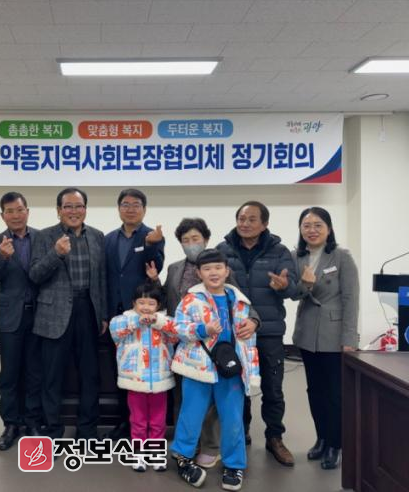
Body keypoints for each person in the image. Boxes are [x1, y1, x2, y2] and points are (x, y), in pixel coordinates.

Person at [160, 218, 259, 469]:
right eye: (185, 240)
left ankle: (221, 454)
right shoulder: (178, 277)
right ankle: (184, 452)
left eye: (195, 238)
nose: (190, 243)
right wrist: (201, 330)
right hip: (193, 355)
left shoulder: (232, 289)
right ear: (199, 273)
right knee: (189, 407)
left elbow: (246, 311)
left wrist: (254, 322)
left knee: (227, 412)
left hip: (227, 358)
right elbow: (169, 309)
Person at [216, 201, 298, 467]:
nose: (245, 224)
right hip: (236, 332)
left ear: (264, 224)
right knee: (238, 386)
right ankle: (242, 432)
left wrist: (283, 286)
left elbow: (293, 289)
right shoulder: (223, 250)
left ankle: (275, 438)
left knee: (272, 388)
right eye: (241, 218)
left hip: (269, 331)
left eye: (252, 219)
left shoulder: (279, 251)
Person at [29, 187, 107, 440]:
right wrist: (56, 254)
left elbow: (101, 278)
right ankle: (52, 429)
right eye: (68, 206)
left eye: (79, 206)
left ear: (85, 209)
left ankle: (87, 430)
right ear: (58, 210)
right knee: (52, 375)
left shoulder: (97, 236)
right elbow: (35, 275)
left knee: (90, 374)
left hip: (88, 310)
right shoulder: (45, 236)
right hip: (55, 314)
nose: (74, 211)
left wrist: (103, 314)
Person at [291, 207, 359, 470]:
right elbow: (293, 295)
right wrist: (306, 284)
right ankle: (320, 438)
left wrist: (349, 338)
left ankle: (335, 443)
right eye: (306, 225)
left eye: (318, 225)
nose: (312, 230)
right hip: (307, 332)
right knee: (314, 390)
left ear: (329, 229)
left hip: (334, 333)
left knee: (334, 393)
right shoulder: (296, 257)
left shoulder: (341, 257)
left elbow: (351, 299)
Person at [104, 188, 165, 440]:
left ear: (144, 209)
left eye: (136, 204)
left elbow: (155, 267)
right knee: (121, 370)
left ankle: (148, 428)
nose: (130, 209)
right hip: (116, 316)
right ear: (119, 208)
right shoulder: (108, 238)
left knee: (144, 373)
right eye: (125, 204)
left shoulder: (152, 236)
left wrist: (151, 245)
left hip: (142, 316)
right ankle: (125, 422)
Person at [0, 192, 42, 450]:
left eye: (20, 210)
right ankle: (10, 423)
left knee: (34, 371)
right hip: (10, 316)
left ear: (27, 211)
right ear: (2, 216)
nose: (16, 215)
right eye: (10, 211)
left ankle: (31, 421)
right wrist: (2, 257)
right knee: (9, 373)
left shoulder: (42, 238)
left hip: (39, 314)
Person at [109, 281, 177, 472]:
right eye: (141, 302)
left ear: (158, 305)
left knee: (158, 420)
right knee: (138, 419)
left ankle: (156, 453)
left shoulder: (164, 320)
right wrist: (137, 322)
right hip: (135, 379)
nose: (146, 307)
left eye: (151, 303)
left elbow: (176, 334)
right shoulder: (124, 319)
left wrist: (158, 322)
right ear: (134, 303)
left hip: (160, 379)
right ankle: (138, 453)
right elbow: (115, 332)